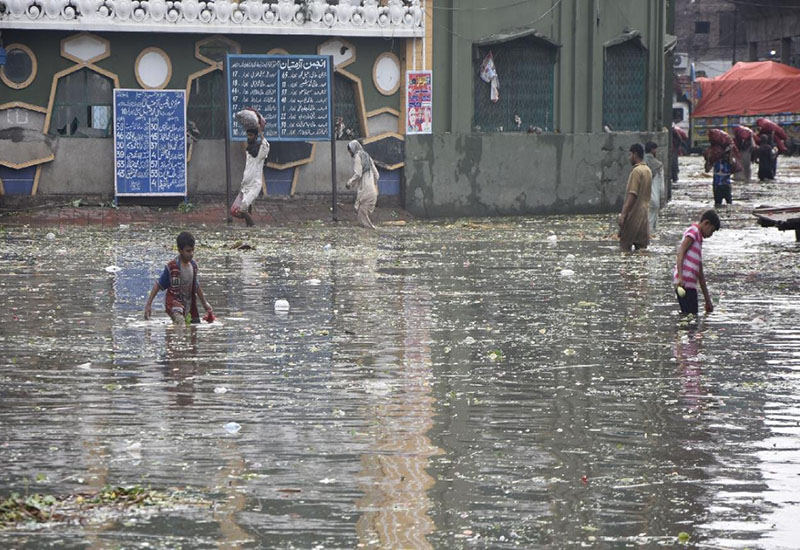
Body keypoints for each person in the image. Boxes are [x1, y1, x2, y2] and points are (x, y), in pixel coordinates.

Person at [144, 231, 213, 325]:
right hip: (174, 302)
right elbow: (158, 285)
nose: (191, 253)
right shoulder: (172, 267)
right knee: (180, 322)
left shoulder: (193, 266)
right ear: (180, 250)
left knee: (194, 325)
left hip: (188, 303)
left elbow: (196, 286)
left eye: (193, 250)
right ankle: (173, 338)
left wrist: (205, 303)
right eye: (188, 251)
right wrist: (149, 305)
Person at [673, 209, 721, 315]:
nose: (711, 235)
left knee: (691, 316)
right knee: (690, 316)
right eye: (711, 231)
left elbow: (701, 274)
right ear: (706, 223)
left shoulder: (699, 241)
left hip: (691, 285)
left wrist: (708, 301)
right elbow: (681, 252)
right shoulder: (693, 231)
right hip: (684, 283)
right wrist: (680, 277)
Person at [231, 128, 269, 227]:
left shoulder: (260, 152)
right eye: (248, 135)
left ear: (256, 137)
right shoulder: (249, 150)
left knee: (243, 208)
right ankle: (249, 227)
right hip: (245, 185)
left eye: (251, 135)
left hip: (254, 185)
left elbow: (266, 145)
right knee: (235, 211)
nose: (249, 137)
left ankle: (253, 228)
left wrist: (260, 132)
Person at [618, 143, 652, 252]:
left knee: (625, 247)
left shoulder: (636, 171)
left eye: (630, 155)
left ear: (635, 155)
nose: (629, 158)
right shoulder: (647, 170)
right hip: (645, 215)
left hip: (634, 215)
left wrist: (623, 215)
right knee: (641, 250)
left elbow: (632, 194)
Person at [346, 140, 380, 229]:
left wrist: (350, 183)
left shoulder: (358, 156)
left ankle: (370, 233)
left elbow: (358, 174)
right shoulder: (368, 157)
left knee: (362, 217)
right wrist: (374, 184)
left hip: (365, 191)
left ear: (353, 149)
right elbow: (377, 174)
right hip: (372, 192)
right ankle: (367, 233)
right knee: (363, 215)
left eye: (350, 150)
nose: (350, 153)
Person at [644, 141, 664, 234]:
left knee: (644, 224)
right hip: (654, 199)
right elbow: (661, 186)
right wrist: (662, 199)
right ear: (653, 150)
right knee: (651, 227)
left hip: (643, 199)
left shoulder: (641, 164)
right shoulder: (658, 165)